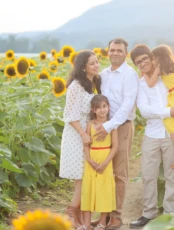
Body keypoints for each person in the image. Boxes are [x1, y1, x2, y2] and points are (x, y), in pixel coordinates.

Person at [129, 44, 174, 228]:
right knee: (148, 175)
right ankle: (148, 214)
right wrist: (170, 112)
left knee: (172, 176)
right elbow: (144, 110)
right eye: (139, 62)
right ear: (136, 65)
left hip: (172, 133)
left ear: (152, 57)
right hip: (152, 134)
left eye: (145, 58)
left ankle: (170, 216)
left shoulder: (167, 73)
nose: (143, 63)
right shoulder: (141, 83)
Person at [92, 38, 139, 230]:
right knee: (103, 172)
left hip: (121, 127)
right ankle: (103, 215)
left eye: (119, 50)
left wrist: (109, 125)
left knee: (119, 173)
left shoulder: (130, 75)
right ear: (107, 52)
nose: (115, 53)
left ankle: (116, 217)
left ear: (125, 54)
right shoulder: (103, 74)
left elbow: (128, 104)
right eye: (112, 50)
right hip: (103, 128)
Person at [59, 50, 101, 228]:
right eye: (92, 63)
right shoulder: (76, 86)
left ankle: (79, 216)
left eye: (97, 62)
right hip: (76, 134)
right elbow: (70, 115)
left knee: (87, 177)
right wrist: (83, 134)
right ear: (83, 68)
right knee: (81, 177)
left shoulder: (94, 83)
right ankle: (71, 213)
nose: (96, 65)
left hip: (88, 133)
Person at [80, 95, 118, 230]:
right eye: (98, 108)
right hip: (92, 159)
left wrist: (106, 163)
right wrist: (89, 160)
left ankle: (102, 222)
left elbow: (115, 146)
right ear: (93, 110)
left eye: (104, 106)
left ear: (108, 108)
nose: (102, 110)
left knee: (105, 190)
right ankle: (87, 224)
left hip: (105, 160)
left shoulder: (112, 125)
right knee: (88, 189)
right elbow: (86, 144)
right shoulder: (90, 124)